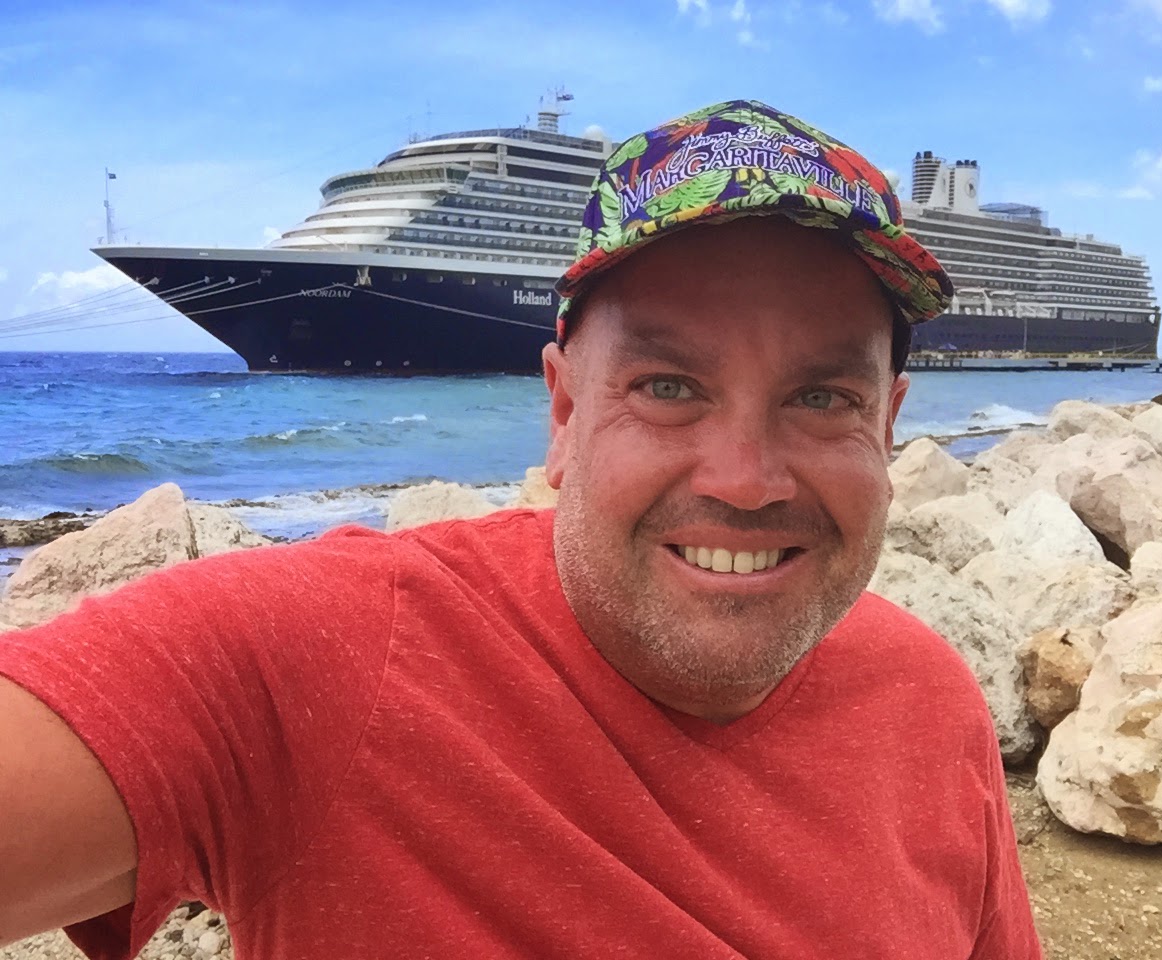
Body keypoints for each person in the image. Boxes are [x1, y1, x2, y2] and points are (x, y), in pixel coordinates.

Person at [0, 101, 1041, 959]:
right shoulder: (324, 657)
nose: (745, 480)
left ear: (890, 424)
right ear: (561, 410)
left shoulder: (929, 702)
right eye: (668, 385)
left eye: (821, 398)